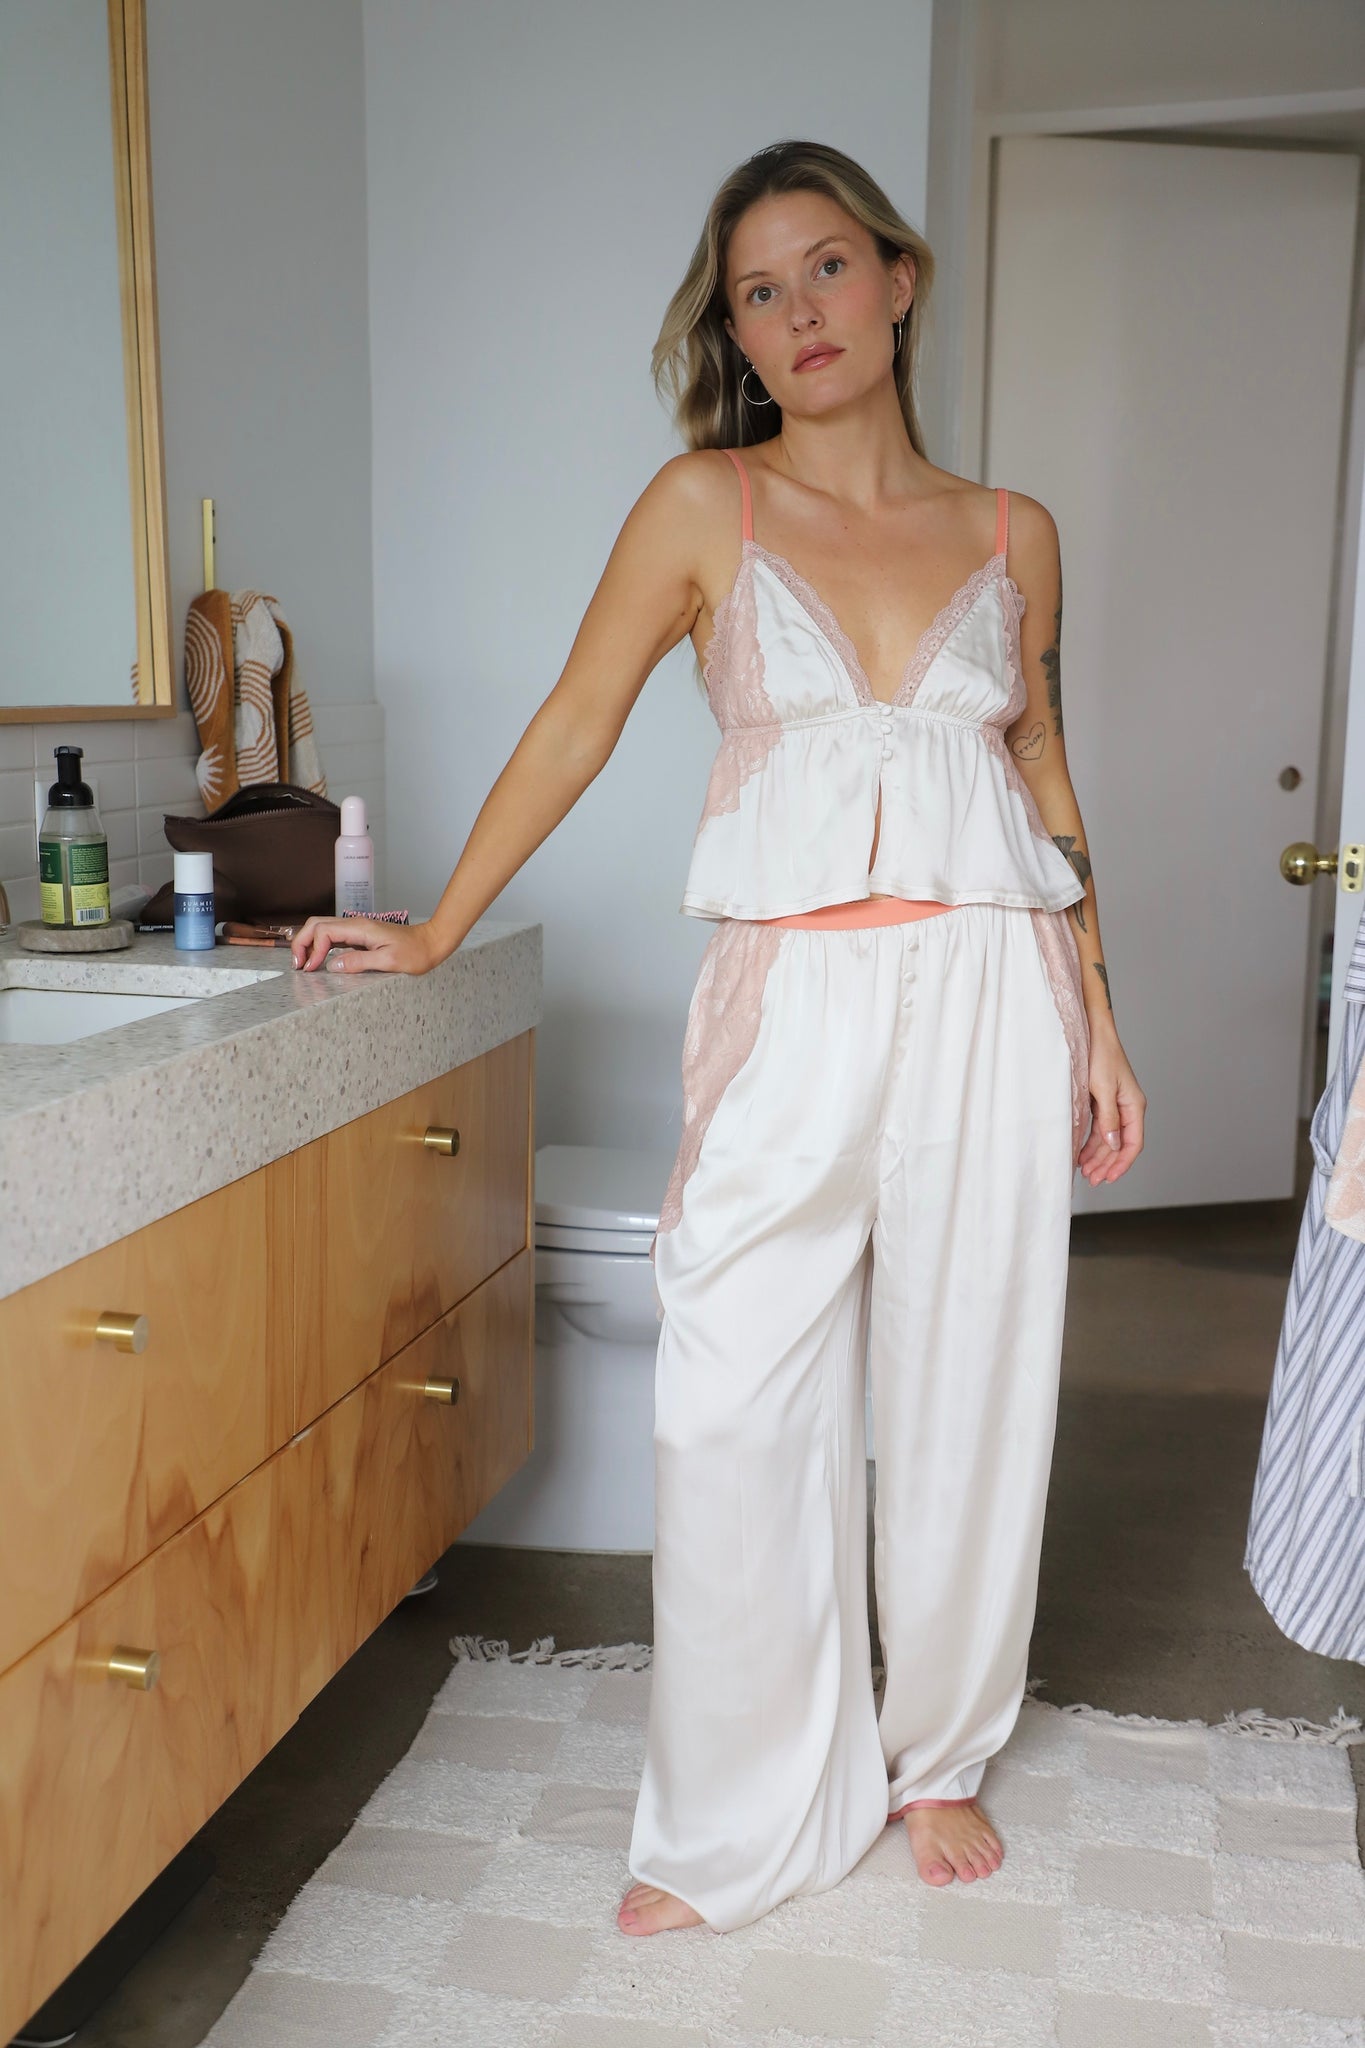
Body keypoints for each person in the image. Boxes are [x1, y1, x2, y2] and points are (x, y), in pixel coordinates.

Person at [291, 138, 1147, 1938]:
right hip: (793, 1001)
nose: (799, 311)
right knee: (734, 1398)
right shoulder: (706, 506)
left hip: (991, 993)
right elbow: (577, 719)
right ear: (736, 337)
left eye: (826, 266)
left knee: (972, 1382)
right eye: (759, 291)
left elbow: (1041, 772)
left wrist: (1098, 1017)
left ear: (897, 279)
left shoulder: (1013, 534)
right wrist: (435, 925)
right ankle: (739, 1810)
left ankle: (936, 1754)